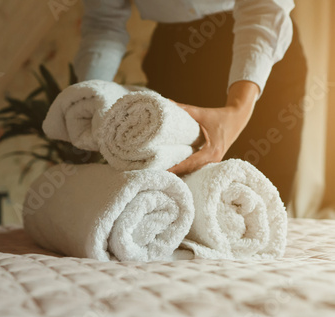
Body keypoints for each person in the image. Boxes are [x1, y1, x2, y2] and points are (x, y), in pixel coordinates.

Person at [74, 0, 307, 203]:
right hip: (176, 57)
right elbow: (104, 23)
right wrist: (87, 100)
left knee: (264, 197)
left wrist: (238, 109)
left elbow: (262, 5)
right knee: (179, 202)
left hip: (260, 55)